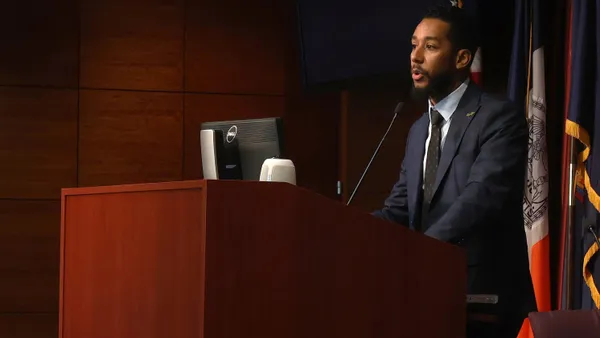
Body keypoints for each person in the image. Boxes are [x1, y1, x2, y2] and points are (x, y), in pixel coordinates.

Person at [371, 4, 536, 338]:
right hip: (426, 297)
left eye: (430, 47)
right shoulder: (419, 129)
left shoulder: (498, 118)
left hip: (483, 301)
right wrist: (345, 230)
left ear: (462, 59)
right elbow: (400, 208)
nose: (415, 56)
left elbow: (480, 200)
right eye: (413, 45)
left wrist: (420, 251)